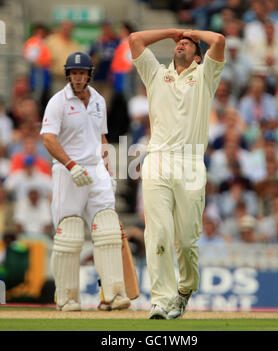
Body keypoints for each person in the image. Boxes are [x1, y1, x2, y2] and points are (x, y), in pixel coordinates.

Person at [129, 28, 225, 319]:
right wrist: (174, 32)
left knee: (185, 241)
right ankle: (160, 299)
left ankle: (184, 290)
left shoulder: (205, 74)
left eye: (189, 44)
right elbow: (135, 40)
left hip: (191, 163)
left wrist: (193, 33)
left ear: (198, 55)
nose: (181, 44)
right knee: (158, 234)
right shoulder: (156, 74)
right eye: (178, 43)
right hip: (157, 159)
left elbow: (219, 41)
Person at [40, 51, 130, 311]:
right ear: (68, 75)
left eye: (82, 73)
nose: (78, 78)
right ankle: (67, 297)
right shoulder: (58, 101)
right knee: (69, 233)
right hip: (68, 172)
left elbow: (101, 138)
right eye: (74, 73)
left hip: (95, 171)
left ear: (89, 75)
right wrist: (71, 166)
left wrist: (107, 168)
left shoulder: (99, 100)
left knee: (108, 229)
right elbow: (48, 138)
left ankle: (112, 294)